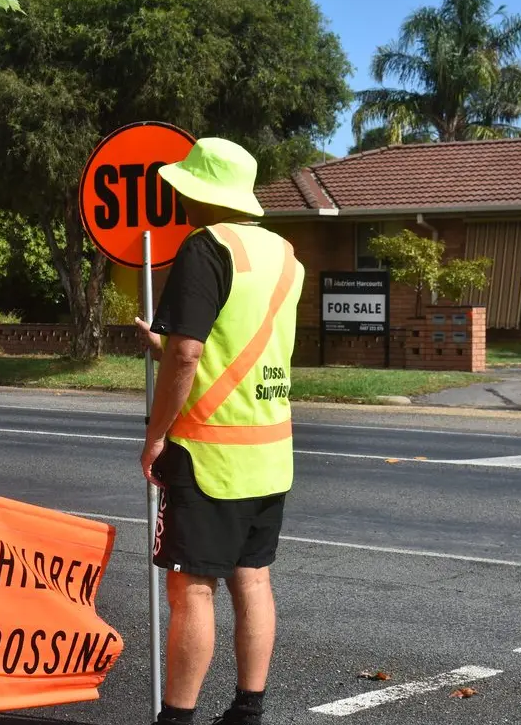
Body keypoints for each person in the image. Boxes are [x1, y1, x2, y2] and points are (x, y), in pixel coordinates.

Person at [135, 138, 304, 725]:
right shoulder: (285, 253)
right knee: (252, 579)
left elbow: (187, 356)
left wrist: (156, 436)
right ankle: (247, 712)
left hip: (208, 455)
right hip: (268, 451)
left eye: (181, 185)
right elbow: (239, 345)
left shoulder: (204, 248)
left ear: (199, 191)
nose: (176, 195)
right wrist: (172, 345)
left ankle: (177, 718)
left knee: (192, 589)